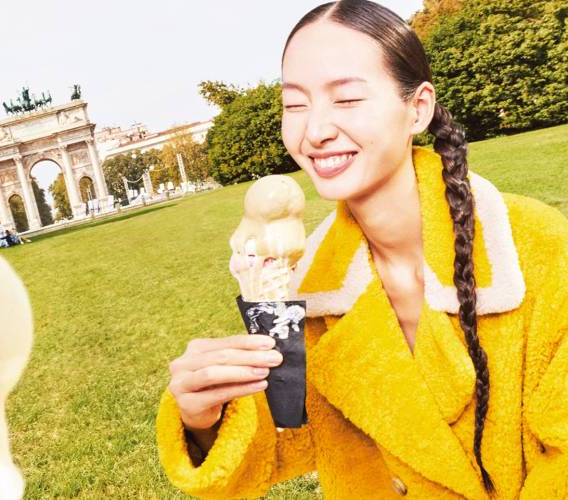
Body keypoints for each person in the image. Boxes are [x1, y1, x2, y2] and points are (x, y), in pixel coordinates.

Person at [155, 1, 568, 499]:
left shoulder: (538, 248)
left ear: (418, 108)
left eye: (347, 98)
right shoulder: (304, 288)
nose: (315, 131)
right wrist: (202, 418)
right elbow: (282, 441)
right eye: (295, 104)